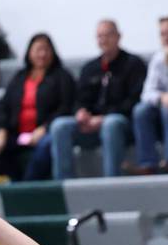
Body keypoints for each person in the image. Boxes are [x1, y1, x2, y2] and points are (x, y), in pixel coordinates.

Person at [49, 21, 146, 179]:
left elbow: (134, 101)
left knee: (111, 123)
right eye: (100, 36)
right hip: (90, 126)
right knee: (60, 126)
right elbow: (79, 98)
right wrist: (80, 113)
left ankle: (112, 183)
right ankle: (64, 185)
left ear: (118, 36)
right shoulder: (90, 68)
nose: (104, 40)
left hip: (122, 125)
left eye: (108, 35)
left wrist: (102, 118)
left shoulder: (134, 64)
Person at [0, 34, 75, 181]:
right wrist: (2, 131)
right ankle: (14, 179)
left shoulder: (62, 76)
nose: (42, 54)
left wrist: (44, 128)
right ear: (29, 52)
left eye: (46, 50)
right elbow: (4, 106)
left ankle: (26, 185)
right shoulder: (20, 77)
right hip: (17, 134)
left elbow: (66, 107)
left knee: (48, 144)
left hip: (43, 133)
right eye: (38, 50)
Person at [132, 16, 168, 172]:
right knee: (141, 111)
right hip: (166, 108)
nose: (166, 38)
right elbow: (147, 93)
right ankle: (148, 164)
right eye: (163, 34)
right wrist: (163, 97)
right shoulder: (158, 59)